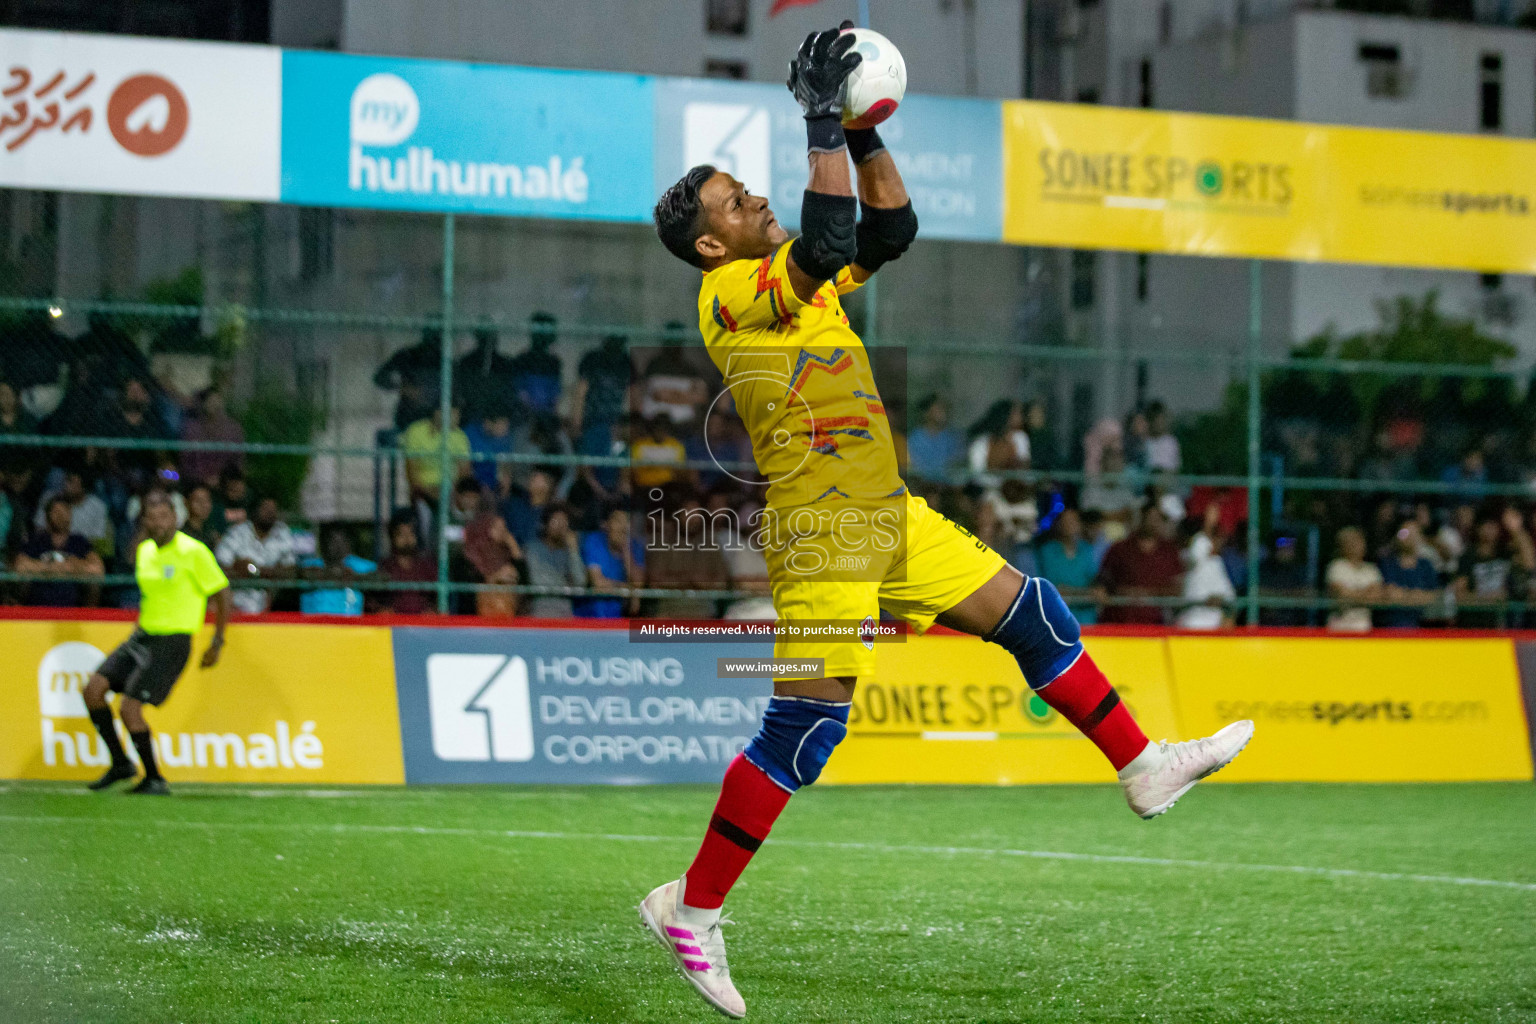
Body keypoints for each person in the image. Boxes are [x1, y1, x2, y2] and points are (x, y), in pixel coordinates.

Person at [640, 26, 1253, 1018]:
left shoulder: (793, 276)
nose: (756, 201)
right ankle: (692, 909)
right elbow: (834, 238)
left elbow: (884, 234)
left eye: (751, 191)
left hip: (885, 511)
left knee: (1034, 613)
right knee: (803, 729)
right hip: (822, 526)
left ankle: (1143, 766)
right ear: (710, 242)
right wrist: (815, 118)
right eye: (736, 202)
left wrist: (864, 132)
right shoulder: (731, 294)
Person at [80, 491, 230, 795]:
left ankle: (154, 778)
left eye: (164, 516)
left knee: (129, 708)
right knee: (93, 690)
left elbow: (223, 593)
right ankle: (121, 763)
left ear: (175, 518)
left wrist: (217, 641)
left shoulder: (193, 551)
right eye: (152, 518)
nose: (159, 523)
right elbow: (141, 574)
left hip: (172, 640)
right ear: (145, 521)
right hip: (143, 636)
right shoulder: (146, 550)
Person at [1095, 504, 1183, 624]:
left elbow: (1177, 588)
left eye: (1157, 519)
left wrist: (1148, 594)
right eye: (1149, 517)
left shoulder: (1169, 551)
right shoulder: (1119, 548)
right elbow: (1103, 581)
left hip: (1156, 623)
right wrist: (1123, 592)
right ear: (1140, 519)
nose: (1152, 522)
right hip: (1118, 621)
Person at [1452, 508, 1535, 628]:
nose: (1490, 530)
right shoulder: (1468, 557)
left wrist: (1516, 529)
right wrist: (1489, 598)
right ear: (1478, 528)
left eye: (1493, 526)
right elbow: (1460, 595)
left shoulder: (1504, 553)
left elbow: (1529, 564)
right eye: (1486, 526)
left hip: (1501, 622)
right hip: (1474, 622)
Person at [15, 495, 104, 607]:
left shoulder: (78, 542)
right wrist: (49, 567)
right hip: (36, 609)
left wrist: (74, 566)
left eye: (65, 511)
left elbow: (98, 569)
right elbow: (20, 566)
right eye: (56, 512)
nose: (61, 516)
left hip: (72, 610)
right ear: (48, 515)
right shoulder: (36, 540)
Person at [215, 496, 297, 615]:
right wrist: (270, 572)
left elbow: (291, 569)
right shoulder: (237, 533)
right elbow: (220, 565)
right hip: (236, 606)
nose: (270, 513)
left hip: (271, 607)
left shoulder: (282, 532)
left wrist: (254, 570)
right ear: (254, 511)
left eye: (273, 510)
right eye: (266, 509)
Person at [460, 480, 523, 617]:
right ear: (486, 528)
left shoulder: (507, 553)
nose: (503, 532)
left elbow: (525, 579)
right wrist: (494, 578)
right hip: (475, 617)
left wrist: (513, 545)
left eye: (504, 528)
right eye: (497, 528)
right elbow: (466, 589)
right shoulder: (471, 553)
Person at [576, 505, 643, 618]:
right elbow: (598, 584)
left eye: (626, 521)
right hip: (588, 618)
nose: (623, 527)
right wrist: (626, 588)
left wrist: (626, 551)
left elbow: (638, 588)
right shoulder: (594, 540)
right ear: (606, 524)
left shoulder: (635, 547)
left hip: (617, 619)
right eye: (618, 521)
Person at [1036, 507, 1100, 625]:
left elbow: (1094, 582)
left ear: (1080, 524)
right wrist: (1087, 594)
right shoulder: (1047, 551)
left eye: (1073, 521)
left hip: (1086, 619)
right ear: (1058, 525)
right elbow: (1056, 589)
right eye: (1065, 521)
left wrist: (1092, 592)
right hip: (1057, 618)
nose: (1069, 525)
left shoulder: (1087, 550)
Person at [521, 504, 587, 617]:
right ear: (546, 524)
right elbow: (537, 580)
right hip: (540, 609)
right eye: (556, 521)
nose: (560, 526)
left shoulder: (569, 553)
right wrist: (565, 584)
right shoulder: (533, 548)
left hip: (565, 610)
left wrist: (573, 551)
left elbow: (580, 583)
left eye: (564, 521)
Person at [374, 328, 444, 430]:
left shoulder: (445, 361)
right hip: (408, 413)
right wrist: (405, 389)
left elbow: (455, 391)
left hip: (434, 415)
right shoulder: (407, 355)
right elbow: (380, 377)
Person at [1376, 518, 1441, 628]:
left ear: (1420, 537)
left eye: (1413, 533)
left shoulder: (1426, 565)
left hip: (1424, 623)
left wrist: (1407, 595)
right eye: (1404, 533)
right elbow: (1391, 593)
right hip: (1393, 624)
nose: (1409, 537)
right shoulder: (1388, 564)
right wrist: (1416, 595)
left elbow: (1433, 594)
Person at [299, 528, 376, 617]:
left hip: (350, 625)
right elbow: (297, 574)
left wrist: (355, 577)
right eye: (330, 540)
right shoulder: (309, 565)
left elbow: (380, 577)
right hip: (312, 624)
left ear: (348, 542)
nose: (334, 546)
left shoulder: (362, 566)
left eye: (339, 541)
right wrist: (335, 575)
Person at [178, 389, 245, 487]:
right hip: (196, 481)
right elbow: (185, 461)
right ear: (203, 403)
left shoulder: (233, 429)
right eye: (211, 400)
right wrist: (202, 478)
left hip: (225, 481)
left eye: (217, 400)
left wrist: (225, 478)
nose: (215, 404)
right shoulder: (191, 428)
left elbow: (238, 460)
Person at [380, 512, 438, 615]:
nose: (407, 539)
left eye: (411, 533)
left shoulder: (427, 566)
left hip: (424, 626)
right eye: (401, 534)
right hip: (394, 625)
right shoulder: (385, 566)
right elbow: (376, 601)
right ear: (392, 537)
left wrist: (433, 611)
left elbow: (440, 599)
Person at [1326, 526, 1382, 632]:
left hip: (1363, 626)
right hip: (1339, 626)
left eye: (1358, 541)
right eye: (1350, 542)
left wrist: (1352, 594)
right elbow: (1342, 594)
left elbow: (1376, 596)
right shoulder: (1336, 567)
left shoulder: (1371, 569)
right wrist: (1366, 593)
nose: (1355, 545)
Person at [904, 394, 964, 494]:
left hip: (947, 488)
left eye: (943, 409)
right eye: (938, 408)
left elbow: (957, 463)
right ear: (927, 413)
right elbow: (915, 469)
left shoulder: (950, 438)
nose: (942, 412)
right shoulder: (916, 438)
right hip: (923, 487)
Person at [510, 313, 564, 422]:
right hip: (524, 419)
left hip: (545, 420)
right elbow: (519, 392)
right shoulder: (521, 361)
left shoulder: (554, 363)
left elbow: (555, 398)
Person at [1143, 400, 1181, 473]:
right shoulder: (1145, 442)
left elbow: (1175, 468)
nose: (1158, 424)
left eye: (1160, 420)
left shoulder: (1171, 442)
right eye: (1155, 420)